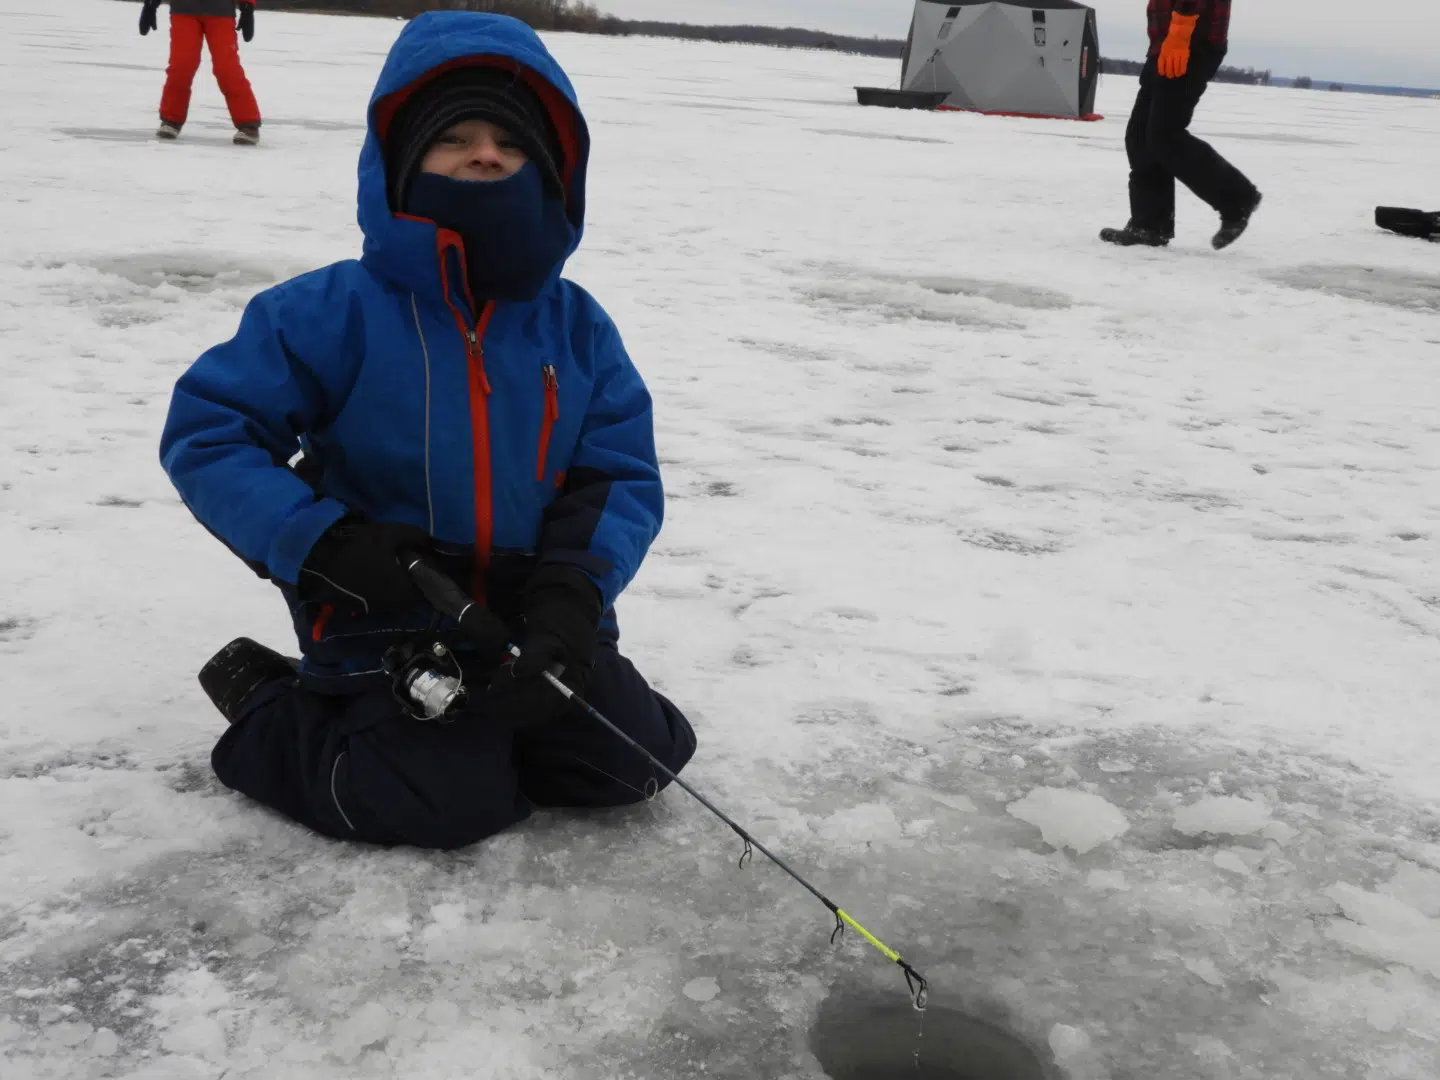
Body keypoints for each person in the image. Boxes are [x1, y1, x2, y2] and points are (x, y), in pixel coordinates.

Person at [158, 12, 697, 851]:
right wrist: (326, 548)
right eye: (453, 136)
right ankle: (268, 704)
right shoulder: (329, 311)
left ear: (550, 168)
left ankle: (497, 722)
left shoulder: (579, 327)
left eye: (508, 141)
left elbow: (616, 474)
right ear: (403, 162)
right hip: (386, 617)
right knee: (436, 800)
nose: (484, 153)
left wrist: (572, 595)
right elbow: (210, 431)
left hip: (535, 623)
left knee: (636, 761)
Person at [1101, 1, 1262, 250]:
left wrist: (1181, 28)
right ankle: (1150, 225)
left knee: (1165, 135)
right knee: (1141, 136)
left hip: (1190, 42)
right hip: (1167, 44)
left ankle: (1238, 198)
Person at [139, 0, 262, 145]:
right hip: (184, 11)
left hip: (221, 13)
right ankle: (171, 120)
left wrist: (247, 5)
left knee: (227, 69)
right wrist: (150, 4)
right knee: (181, 66)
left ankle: (248, 124)